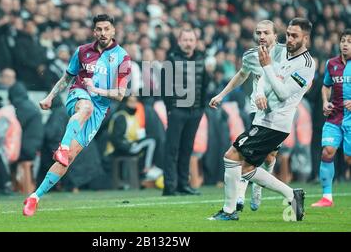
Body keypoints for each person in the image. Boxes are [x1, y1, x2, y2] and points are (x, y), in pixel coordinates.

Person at [23, 14, 131, 216]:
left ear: (114, 31)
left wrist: (98, 91)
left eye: (107, 28)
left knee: (68, 159)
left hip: (100, 109)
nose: (103, 33)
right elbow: (66, 78)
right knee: (85, 108)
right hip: (78, 95)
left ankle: (34, 197)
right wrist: (50, 97)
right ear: (94, 32)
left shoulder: (122, 57)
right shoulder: (82, 52)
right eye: (99, 29)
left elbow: (120, 94)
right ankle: (62, 147)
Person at [208, 18, 315, 221]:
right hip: (263, 118)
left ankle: (229, 211)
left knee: (231, 157)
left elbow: (283, 93)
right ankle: (291, 195)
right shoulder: (284, 54)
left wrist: (266, 66)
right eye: (289, 34)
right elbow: (263, 77)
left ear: (305, 38)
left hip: (276, 123)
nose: (290, 39)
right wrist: (259, 92)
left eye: (295, 36)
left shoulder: (306, 64)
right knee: (247, 168)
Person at [209, 20, 285, 211]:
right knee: (247, 154)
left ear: (275, 36)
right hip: (257, 111)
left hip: (278, 112)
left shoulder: (286, 55)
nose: (261, 36)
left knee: (269, 157)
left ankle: (257, 189)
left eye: (266, 33)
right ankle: (240, 197)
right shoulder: (251, 55)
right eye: (259, 33)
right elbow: (242, 75)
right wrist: (221, 95)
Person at [162, 28, 208, 196]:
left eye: (191, 40)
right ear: (179, 42)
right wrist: (170, 109)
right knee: (172, 149)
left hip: (195, 111)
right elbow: (165, 87)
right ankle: (170, 186)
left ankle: (183, 184)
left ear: (195, 43)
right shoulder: (171, 59)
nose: (188, 43)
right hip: (177, 111)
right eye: (185, 40)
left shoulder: (201, 59)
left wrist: (201, 108)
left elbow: (204, 85)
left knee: (187, 149)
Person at [311, 29, 351, 207]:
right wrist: (325, 102)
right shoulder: (331, 63)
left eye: (349, 41)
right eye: (343, 40)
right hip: (334, 117)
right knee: (327, 151)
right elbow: (326, 86)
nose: (345, 44)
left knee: (349, 159)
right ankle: (327, 197)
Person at [105, 95, 161, 181]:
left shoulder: (133, 117)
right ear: (125, 102)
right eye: (131, 101)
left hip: (130, 146)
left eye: (135, 101)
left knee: (153, 138)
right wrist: (130, 145)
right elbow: (116, 139)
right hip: (117, 149)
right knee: (151, 141)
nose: (134, 104)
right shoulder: (121, 117)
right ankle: (146, 170)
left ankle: (144, 171)